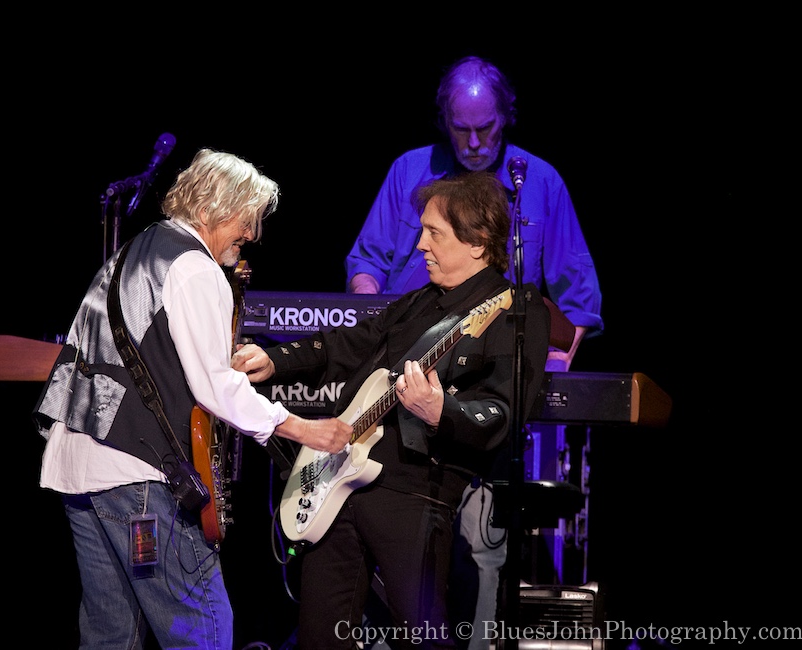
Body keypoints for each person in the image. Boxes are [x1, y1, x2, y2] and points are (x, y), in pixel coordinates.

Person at [33, 148, 353, 650]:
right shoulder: (196, 268)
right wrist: (302, 427)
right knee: (200, 628)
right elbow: (215, 386)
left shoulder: (134, 251)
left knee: (110, 635)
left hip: (75, 468)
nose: (253, 235)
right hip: (135, 478)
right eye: (247, 219)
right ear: (211, 208)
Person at [344, 56, 605, 649]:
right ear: (445, 122)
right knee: (380, 522)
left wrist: (545, 371)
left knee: (484, 543)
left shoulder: (539, 181)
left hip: (486, 391)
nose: (476, 141)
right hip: (403, 384)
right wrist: (367, 307)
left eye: (486, 126)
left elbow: (578, 305)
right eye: (462, 128)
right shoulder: (410, 171)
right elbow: (366, 264)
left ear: (505, 117)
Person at [231, 171, 551, 650]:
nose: (420, 244)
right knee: (319, 637)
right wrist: (275, 358)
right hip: (341, 490)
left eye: (434, 233)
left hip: (415, 495)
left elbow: (504, 411)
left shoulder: (512, 309)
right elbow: (344, 344)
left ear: (479, 243)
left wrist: (443, 410)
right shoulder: (418, 303)